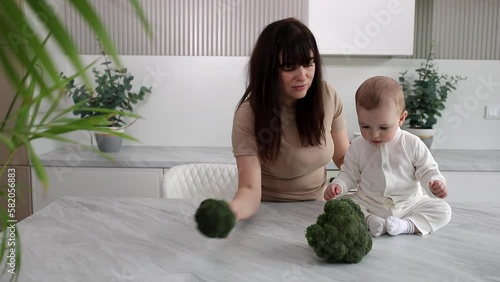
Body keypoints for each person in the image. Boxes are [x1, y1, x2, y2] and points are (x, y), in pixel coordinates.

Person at [229, 18, 350, 221]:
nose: (302, 75)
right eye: (289, 67)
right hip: (267, 213)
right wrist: (229, 214)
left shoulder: (328, 96)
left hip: (318, 210)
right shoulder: (249, 114)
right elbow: (249, 190)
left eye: (308, 63)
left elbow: (344, 159)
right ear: (268, 70)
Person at [324, 76, 452, 237]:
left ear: (401, 118)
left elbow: (427, 170)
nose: (374, 134)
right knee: (342, 205)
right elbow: (348, 173)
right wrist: (339, 186)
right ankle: (370, 220)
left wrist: (435, 183)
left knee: (443, 210)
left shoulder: (412, 143)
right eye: (365, 126)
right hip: (369, 203)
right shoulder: (357, 145)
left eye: (383, 127)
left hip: (409, 204)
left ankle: (406, 225)